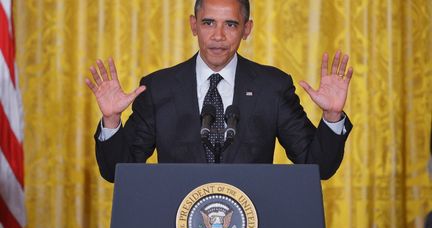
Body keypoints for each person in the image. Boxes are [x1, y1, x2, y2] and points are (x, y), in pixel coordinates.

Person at [86, 0, 353, 183]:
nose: (218, 35)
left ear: (247, 29)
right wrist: (111, 121)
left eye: (231, 24)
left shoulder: (272, 86)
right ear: (194, 25)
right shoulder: (158, 88)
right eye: (209, 23)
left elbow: (317, 166)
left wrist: (331, 116)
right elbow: (117, 171)